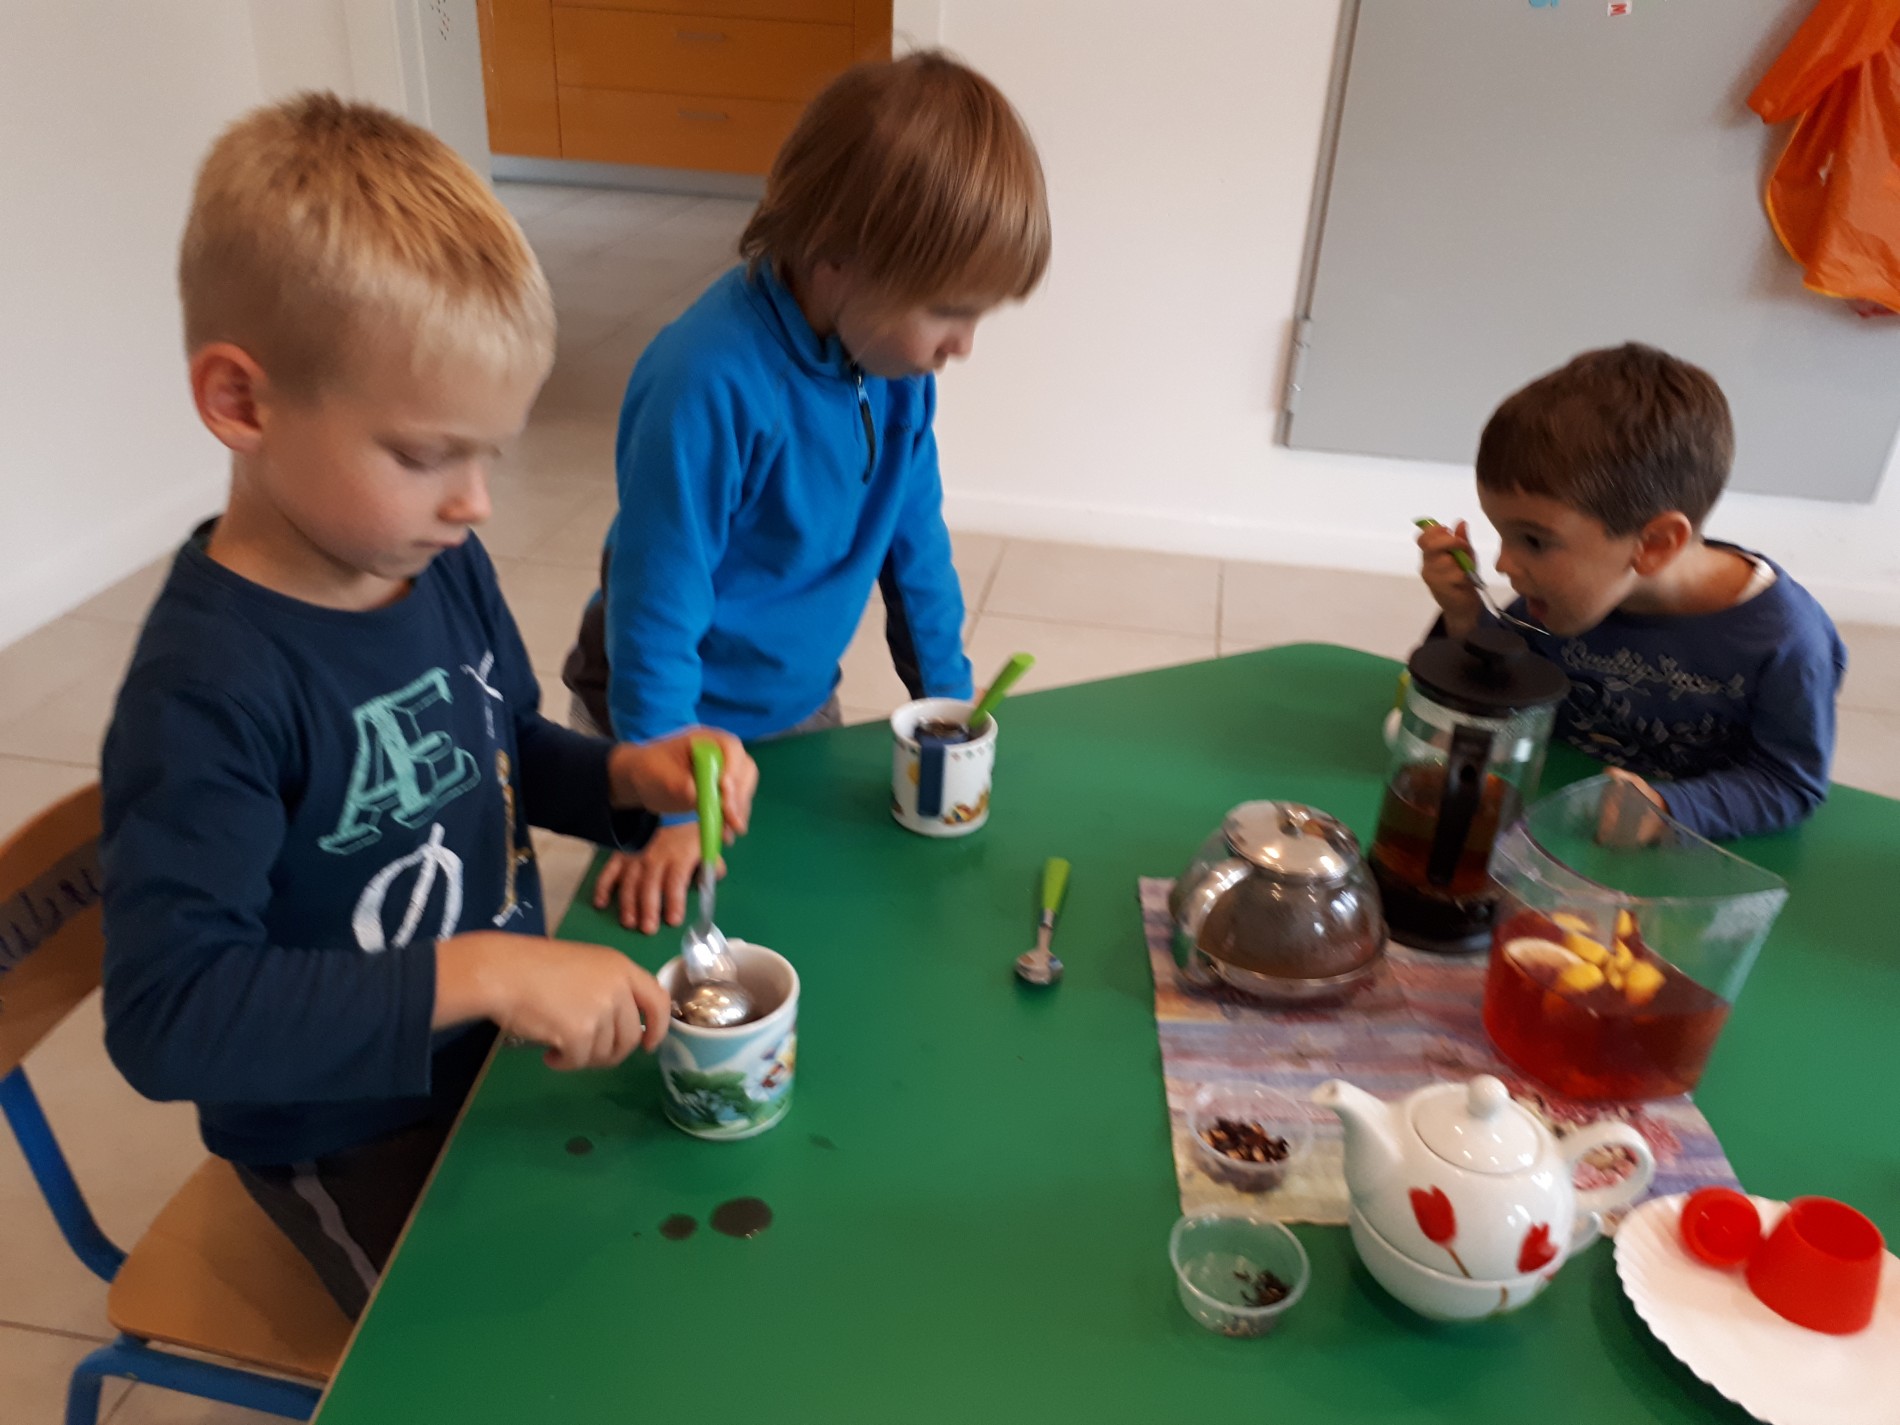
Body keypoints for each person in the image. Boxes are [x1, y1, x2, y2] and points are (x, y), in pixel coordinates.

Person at [100, 94, 759, 1320]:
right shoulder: (207, 688)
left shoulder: (437, 562)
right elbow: (166, 1017)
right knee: (508, 1356)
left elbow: (500, 751)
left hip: (492, 1058)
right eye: (422, 455)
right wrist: (487, 969)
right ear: (242, 402)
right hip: (350, 1133)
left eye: (489, 454)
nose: (474, 503)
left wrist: (628, 781)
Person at [563, 50, 1050, 933]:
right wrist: (669, 804)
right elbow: (654, 612)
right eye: (950, 310)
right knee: (672, 932)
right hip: (661, 723)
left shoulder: (897, 374)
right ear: (837, 258)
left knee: (797, 918)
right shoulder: (705, 380)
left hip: (796, 705)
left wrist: (950, 705)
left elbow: (915, 544)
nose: (964, 345)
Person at [1417, 343, 1846, 840]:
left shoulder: (1788, 643)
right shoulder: (1553, 601)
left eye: (1533, 541)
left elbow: (1788, 782)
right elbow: (1507, 688)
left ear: (1654, 544)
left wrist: (1668, 807)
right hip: (1543, 825)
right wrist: (1464, 614)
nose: (1503, 564)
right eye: (1503, 535)